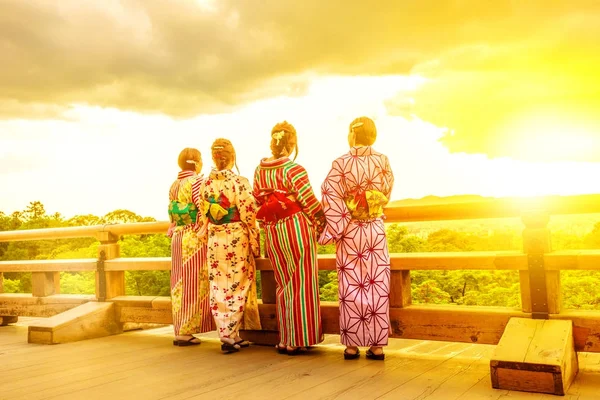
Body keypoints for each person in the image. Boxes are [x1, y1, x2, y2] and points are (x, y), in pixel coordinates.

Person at [319, 117, 394, 360]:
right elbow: (386, 191)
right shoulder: (382, 160)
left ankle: (351, 346)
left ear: (352, 135)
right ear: (373, 135)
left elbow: (330, 192)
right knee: (377, 284)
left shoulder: (341, 163)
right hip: (374, 229)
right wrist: (370, 205)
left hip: (350, 230)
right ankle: (377, 345)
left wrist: (337, 227)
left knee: (351, 285)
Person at [253, 121, 325, 355]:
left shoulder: (259, 170)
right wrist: (321, 222)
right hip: (295, 226)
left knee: (283, 283)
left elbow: (257, 202)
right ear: (292, 142)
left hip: (273, 229)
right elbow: (309, 201)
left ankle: (285, 338)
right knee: (301, 282)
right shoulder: (294, 169)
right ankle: (297, 337)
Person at [198, 138, 262, 354]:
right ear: (232, 157)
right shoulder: (240, 182)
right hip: (235, 236)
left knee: (218, 285)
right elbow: (249, 213)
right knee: (237, 284)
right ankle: (228, 334)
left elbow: (203, 212)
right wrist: (255, 237)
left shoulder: (206, 184)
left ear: (214, 158)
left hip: (215, 237)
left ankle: (231, 334)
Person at [167, 148, 213, 346]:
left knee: (179, 283)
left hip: (178, 235)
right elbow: (202, 209)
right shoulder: (197, 182)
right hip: (193, 237)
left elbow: (171, 212)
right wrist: (202, 230)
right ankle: (186, 330)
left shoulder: (174, 184)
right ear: (197, 162)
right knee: (193, 283)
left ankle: (179, 328)